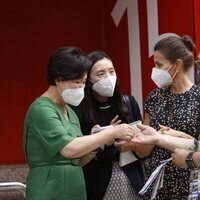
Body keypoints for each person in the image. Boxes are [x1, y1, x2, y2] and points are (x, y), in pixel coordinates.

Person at [23, 47, 135, 200]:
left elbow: (78, 159)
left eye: (83, 82)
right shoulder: (42, 110)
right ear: (59, 79)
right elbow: (69, 148)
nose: (81, 87)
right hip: (49, 191)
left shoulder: (70, 111)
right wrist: (111, 132)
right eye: (77, 82)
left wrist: (97, 143)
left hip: (75, 192)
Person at [73, 51, 143, 200]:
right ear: (88, 80)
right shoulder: (79, 111)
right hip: (96, 183)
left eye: (111, 71)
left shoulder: (128, 103)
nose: (108, 78)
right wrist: (105, 140)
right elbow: (78, 155)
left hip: (131, 179)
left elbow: (144, 147)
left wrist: (133, 143)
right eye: (101, 74)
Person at [139, 35, 200, 199]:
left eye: (159, 65)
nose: (155, 70)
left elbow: (197, 145)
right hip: (157, 182)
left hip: (190, 181)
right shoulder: (154, 97)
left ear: (177, 64)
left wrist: (162, 137)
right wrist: (136, 140)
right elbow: (143, 151)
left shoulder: (197, 97)